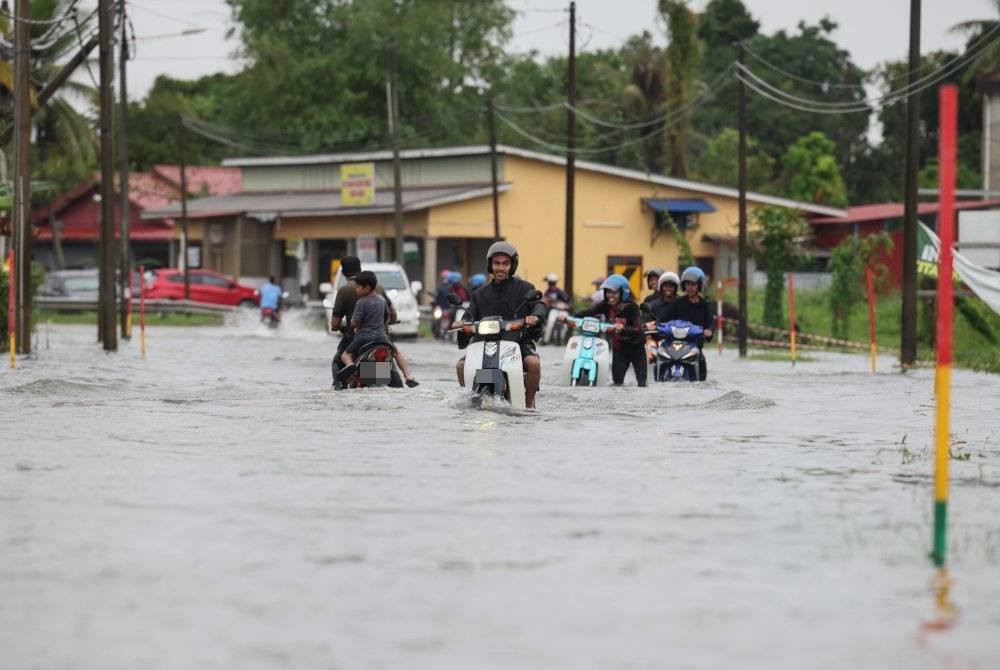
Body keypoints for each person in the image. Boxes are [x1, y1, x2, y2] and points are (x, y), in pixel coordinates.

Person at [453, 241, 547, 408]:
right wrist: (462, 323)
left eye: (506, 264)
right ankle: (468, 401)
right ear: (491, 265)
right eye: (497, 263)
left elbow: (539, 304)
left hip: (517, 340)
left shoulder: (525, 288)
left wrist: (535, 316)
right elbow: (469, 315)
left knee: (534, 364)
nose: (501, 268)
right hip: (484, 342)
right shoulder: (479, 294)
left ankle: (528, 405)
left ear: (512, 266)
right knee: (461, 365)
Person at [336, 271, 418, 387]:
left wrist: (353, 326)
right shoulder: (382, 300)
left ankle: (350, 365)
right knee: (397, 353)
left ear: (367, 287)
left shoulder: (361, 303)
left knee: (345, 355)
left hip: (363, 338)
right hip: (382, 338)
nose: (356, 290)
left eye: (358, 287)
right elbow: (387, 317)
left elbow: (354, 323)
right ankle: (408, 375)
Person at [563, 274, 647, 387]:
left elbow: (638, 328)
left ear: (623, 292)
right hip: (620, 350)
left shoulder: (632, 307)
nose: (610, 296)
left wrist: (622, 329)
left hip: (637, 349)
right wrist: (567, 318)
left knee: (642, 384)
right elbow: (588, 312)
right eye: (608, 292)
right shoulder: (606, 305)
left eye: (614, 293)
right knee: (617, 384)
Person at [330, 257, 397, 387]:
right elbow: (392, 313)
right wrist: (389, 323)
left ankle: (339, 387)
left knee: (338, 361)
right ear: (360, 268)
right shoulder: (377, 287)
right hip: (380, 338)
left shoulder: (344, 290)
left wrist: (337, 327)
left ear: (343, 272)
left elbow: (335, 322)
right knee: (391, 365)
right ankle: (401, 382)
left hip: (354, 338)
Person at [663, 266, 713, 381]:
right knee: (661, 361)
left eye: (693, 284)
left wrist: (709, 330)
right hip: (674, 346)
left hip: (695, 347)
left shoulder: (704, 305)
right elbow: (664, 320)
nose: (690, 287)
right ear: (683, 285)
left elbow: (710, 323)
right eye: (687, 284)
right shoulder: (677, 303)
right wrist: (656, 326)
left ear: (699, 285)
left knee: (701, 364)